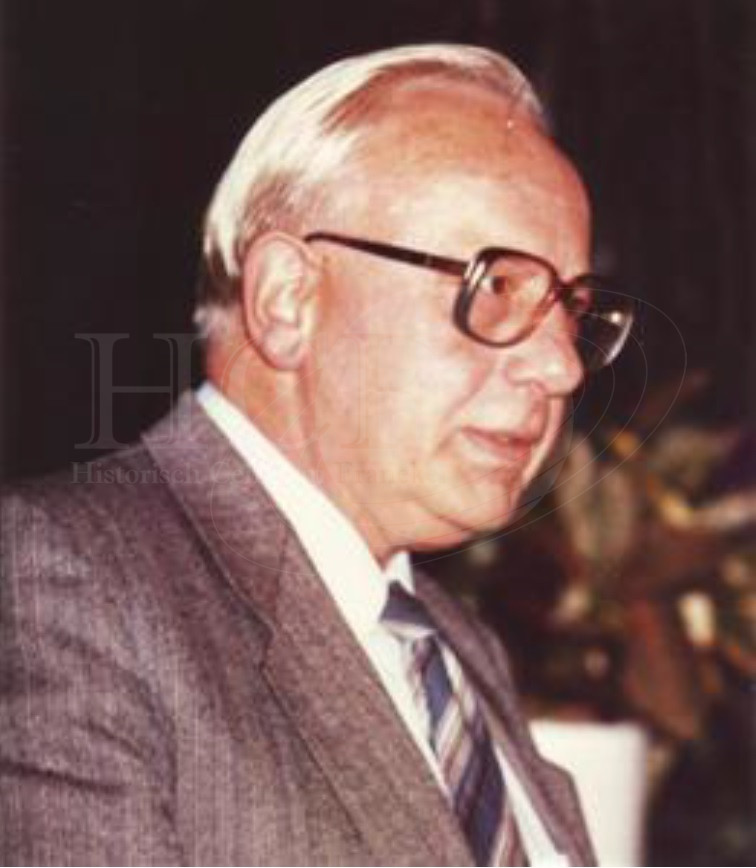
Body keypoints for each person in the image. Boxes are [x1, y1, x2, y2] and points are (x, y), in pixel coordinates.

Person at [0, 44, 634, 865]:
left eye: (570, 308)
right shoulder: (57, 583)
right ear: (287, 299)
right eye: (498, 286)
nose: (562, 366)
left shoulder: (456, 644)